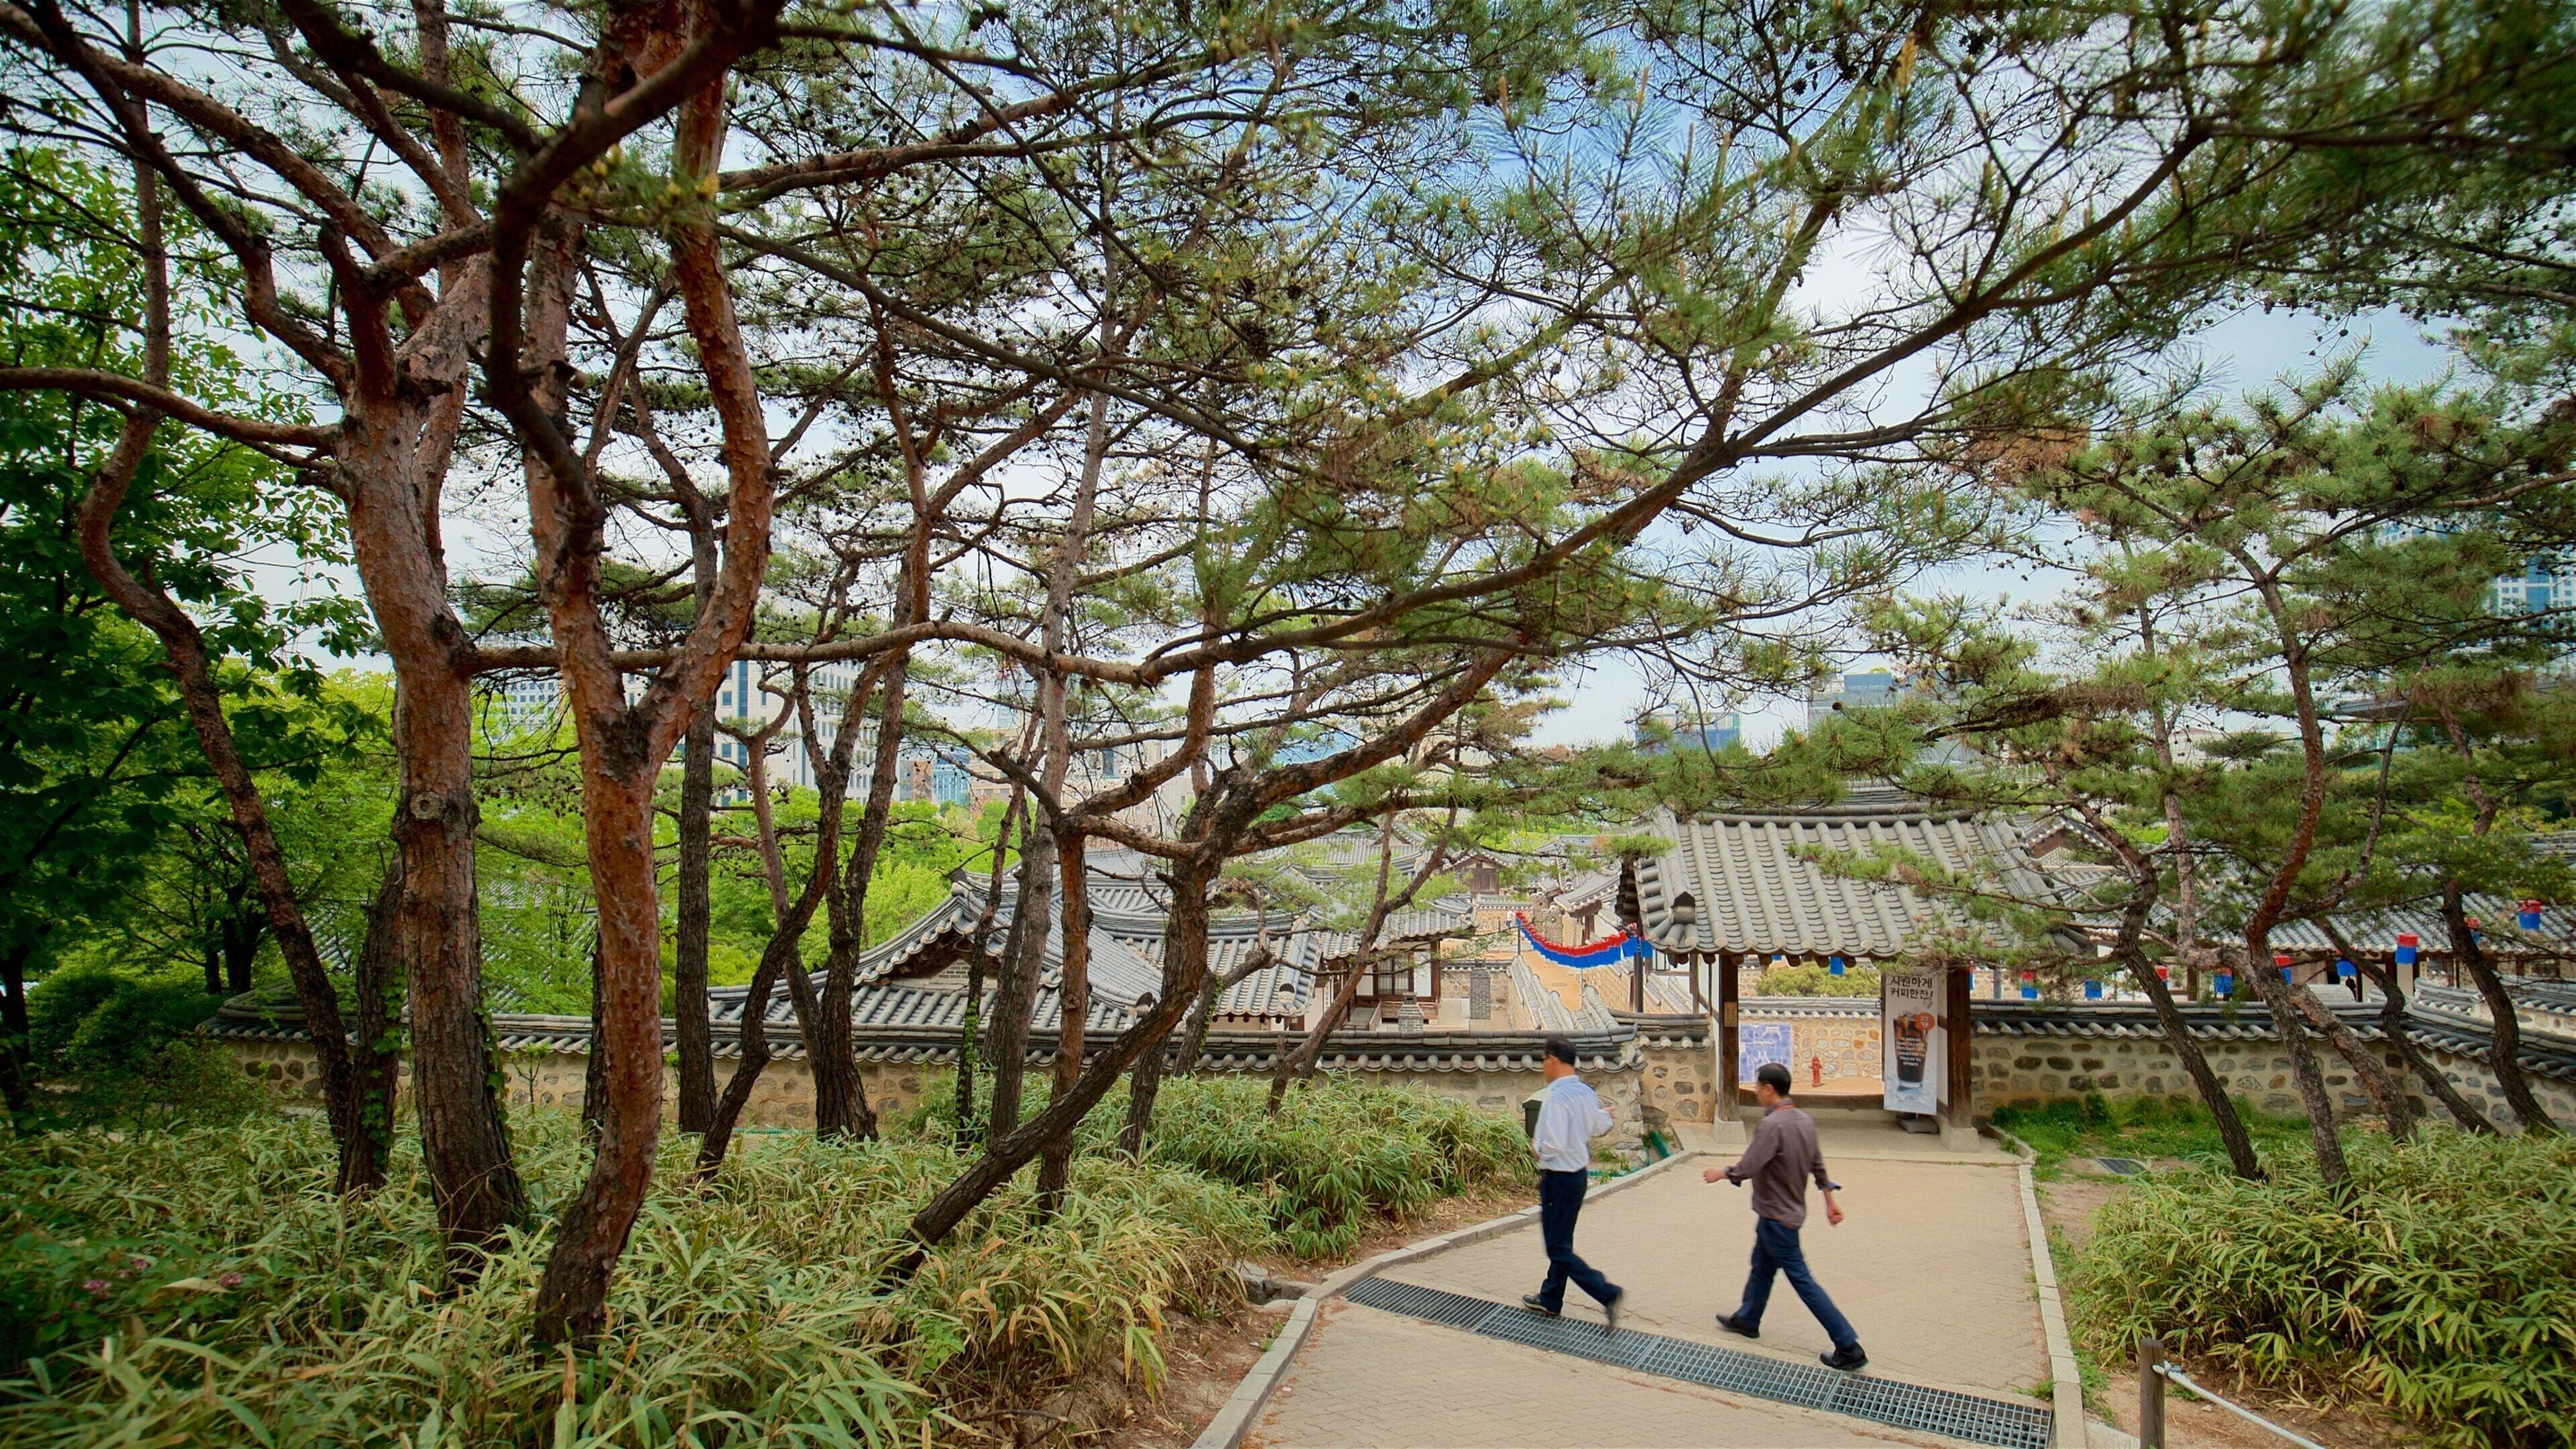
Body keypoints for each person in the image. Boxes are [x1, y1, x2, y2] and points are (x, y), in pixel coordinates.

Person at [1704, 1061, 1866, 1371]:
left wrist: (1721, 1173)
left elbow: (1748, 1167)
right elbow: (1818, 1165)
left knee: (1803, 1280)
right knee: (1761, 1267)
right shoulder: (1804, 1121)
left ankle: (1848, 1345)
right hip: (1784, 1213)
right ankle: (1748, 1318)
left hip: (1778, 1218)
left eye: (1757, 1086)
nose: (1754, 1092)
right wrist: (1829, 1200)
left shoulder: (1772, 1126)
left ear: (1769, 1089)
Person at [1523, 1034, 1625, 1330]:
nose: (1542, 1066)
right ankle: (1550, 1298)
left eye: (1543, 1060)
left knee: (1556, 1248)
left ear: (1553, 1059)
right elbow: (1597, 1124)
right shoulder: (1585, 1092)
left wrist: (1535, 1147)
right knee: (1563, 1242)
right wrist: (1606, 1115)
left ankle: (1607, 1292)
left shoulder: (1556, 1098)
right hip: (1577, 1177)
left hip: (1558, 1178)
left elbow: (1553, 1144)